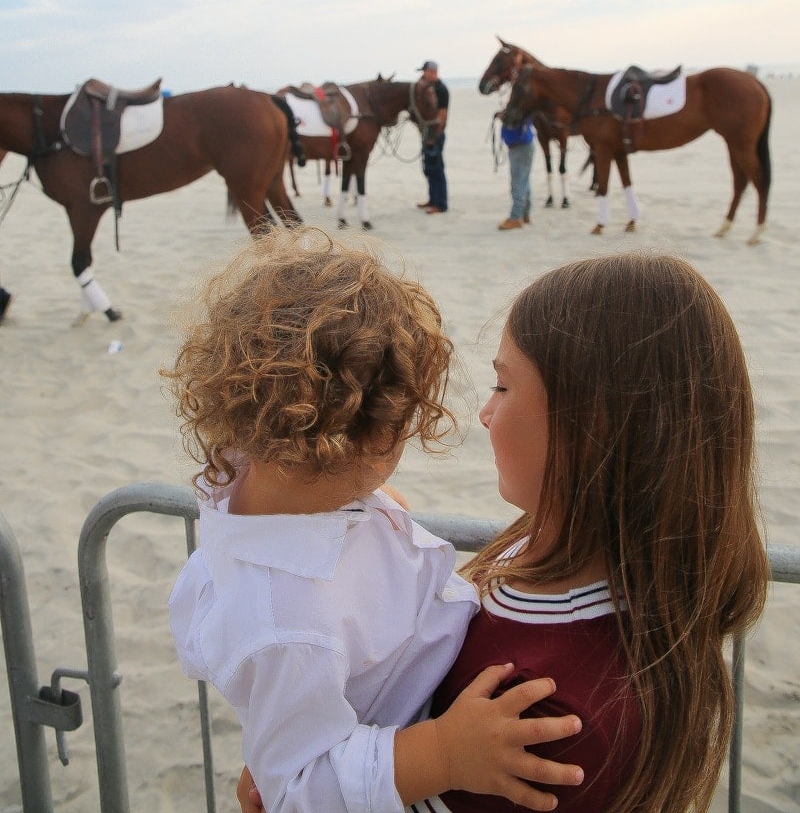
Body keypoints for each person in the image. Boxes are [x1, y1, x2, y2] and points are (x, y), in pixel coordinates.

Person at [238, 251, 769, 813]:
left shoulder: (554, 719)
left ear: (591, 426)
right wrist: (305, 766)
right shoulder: (548, 542)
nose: (486, 414)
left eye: (503, 385)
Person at [166, 228, 584, 813]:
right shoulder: (290, 624)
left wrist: (364, 504)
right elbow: (295, 792)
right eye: (398, 431)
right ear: (348, 444)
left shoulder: (269, 476)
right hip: (410, 738)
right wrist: (443, 753)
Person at [416, 61, 449, 214]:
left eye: (424, 72)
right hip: (428, 132)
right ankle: (432, 199)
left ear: (432, 72)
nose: (422, 74)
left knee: (437, 169)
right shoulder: (429, 88)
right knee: (429, 168)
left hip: (435, 134)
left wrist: (435, 135)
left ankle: (441, 204)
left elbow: (443, 114)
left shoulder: (441, 89)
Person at [497, 113, 536, 230]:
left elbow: (525, 119)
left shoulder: (522, 109)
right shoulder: (520, 107)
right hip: (521, 146)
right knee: (524, 181)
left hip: (520, 146)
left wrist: (507, 117)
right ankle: (525, 213)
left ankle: (515, 217)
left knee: (518, 182)